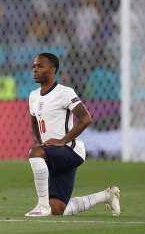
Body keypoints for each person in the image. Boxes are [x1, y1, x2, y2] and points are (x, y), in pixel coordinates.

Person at [25, 53, 120, 216]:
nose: (35, 69)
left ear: (52, 71)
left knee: (34, 153)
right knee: (58, 210)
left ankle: (42, 207)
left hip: (70, 150)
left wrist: (63, 140)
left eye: (40, 66)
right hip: (54, 153)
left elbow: (86, 118)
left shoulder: (64, 92)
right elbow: (34, 122)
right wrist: (40, 143)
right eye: (34, 66)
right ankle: (108, 195)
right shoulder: (33, 96)